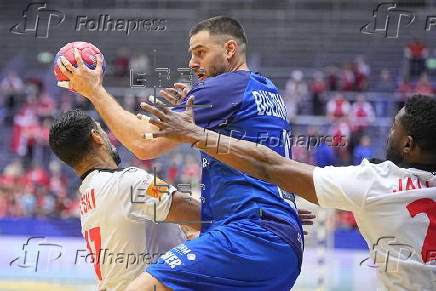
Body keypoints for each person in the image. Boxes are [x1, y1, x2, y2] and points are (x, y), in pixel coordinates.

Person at [56, 16, 309, 291]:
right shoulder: (266, 89)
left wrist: (94, 90)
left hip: (248, 235)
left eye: (201, 52)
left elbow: (143, 143)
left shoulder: (225, 86)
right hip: (281, 241)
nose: (192, 62)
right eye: (191, 54)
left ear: (229, 50)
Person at [142, 94, 436, 290]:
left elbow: (269, 165)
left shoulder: (376, 181)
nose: (388, 134)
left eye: (394, 129)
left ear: (408, 144)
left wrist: (194, 134)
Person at [48, 109, 200, 290]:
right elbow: (202, 216)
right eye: (102, 130)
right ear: (96, 136)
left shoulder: (88, 196)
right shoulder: (128, 181)